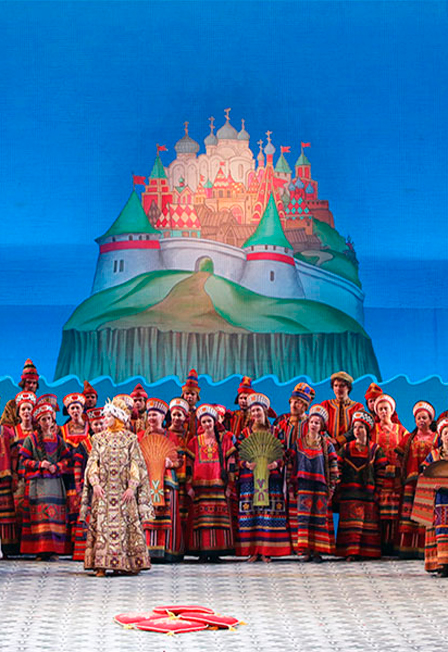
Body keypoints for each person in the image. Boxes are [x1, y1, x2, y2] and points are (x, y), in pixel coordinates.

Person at [79, 397, 152, 576]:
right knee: (102, 527)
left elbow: (136, 465)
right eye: (105, 416)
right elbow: (92, 464)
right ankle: (101, 565)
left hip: (123, 492)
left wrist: (132, 487)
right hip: (103, 492)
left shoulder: (130, 439)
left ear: (118, 418)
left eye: (109, 416)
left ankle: (125, 563)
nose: (105, 419)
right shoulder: (98, 439)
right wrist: (95, 484)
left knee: (125, 527)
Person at [237, 393, 291, 562]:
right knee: (252, 515)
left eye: (258, 410)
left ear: (265, 412)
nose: (255, 414)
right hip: (250, 478)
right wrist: (246, 464)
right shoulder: (244, 433)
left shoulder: (277, 431)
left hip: (271, 478)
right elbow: (237, 455)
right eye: (252, 411)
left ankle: (267, 550)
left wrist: (276, 463)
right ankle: (253, 551)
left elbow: (284, 453)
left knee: (269, 514)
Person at [19, 402, 71, 559]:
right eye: (43, 419)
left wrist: (58, 466)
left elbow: (67, 459)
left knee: (55, 517)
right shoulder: (31, 439)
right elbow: (23, 460)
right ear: (38, 422)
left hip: (55, 483)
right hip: (38, 484)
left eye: (49, 418)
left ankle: (54, 550)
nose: (47, 422)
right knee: (40, 517)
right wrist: (39, 464)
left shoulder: (58, 440)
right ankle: (40, 550)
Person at [185, 404, 235, 562]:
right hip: (199, 487)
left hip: (219, 486)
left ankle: (216, 552)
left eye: (209, 421)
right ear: (200, 424)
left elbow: (231, 463)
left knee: (218, 519)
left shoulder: (224, 440)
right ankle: (202, 551)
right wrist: (188, 485)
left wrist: (230, 485)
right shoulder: (194, 442)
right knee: (201, 522)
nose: (207, 424)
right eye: (204, 421)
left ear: (215, 422)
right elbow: (188, 466)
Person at [336, 411, 387, 560]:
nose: (357, 430)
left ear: (367, 430)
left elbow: (381, 471)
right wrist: (338, 485)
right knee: (352, 524)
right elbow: (337, 466)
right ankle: (350, 552)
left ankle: (367, 552)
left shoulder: (376, 449)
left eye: (361, 427)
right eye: (355, 427)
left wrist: (377, 491)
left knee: (366, 524)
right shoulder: (346, 448)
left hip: (368, 494)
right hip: (349, 494)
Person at [138, 398, 184, 562]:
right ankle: (146, 551)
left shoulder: (172, 437)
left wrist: (172, 463)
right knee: (146, 514)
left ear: (163, 417)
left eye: (155, 415)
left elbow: (180, 460)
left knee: (168, 514)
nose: (151, 418)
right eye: (149, 415)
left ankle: (169, 551)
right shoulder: (140, 436)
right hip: (146, 480)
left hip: (167, 481)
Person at [292, 404, 339, 562]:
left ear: (321, 426)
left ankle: (317, 551)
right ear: (308, 423)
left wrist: (332, 486)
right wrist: (291, 485)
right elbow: (292, 464)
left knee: (319, 518)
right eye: (312, 422)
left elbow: (333, 466)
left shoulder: (327, 445)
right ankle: (305, 551)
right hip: (303, 486)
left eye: (317, 423)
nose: (314, 425)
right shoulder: (299, 444)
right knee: (304, 518)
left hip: (320, 486)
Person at [276, 383, 314, 554]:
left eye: (298, 402)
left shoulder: (311, 424)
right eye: (292, 401)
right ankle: (288, 545)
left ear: (305, 406)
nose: (294, 405)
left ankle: (303, 545)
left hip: (306, 470)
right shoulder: (282, 424)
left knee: (303, 506)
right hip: (286, 470)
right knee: (286, 505)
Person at [396, 401, 437, 558]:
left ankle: (425, 549)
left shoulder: (436, 438)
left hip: (429, 482)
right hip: (411, 482)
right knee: (410, 514)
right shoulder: (409, 438)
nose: (421, 421)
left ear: (430, 420)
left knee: (426, 514)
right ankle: (407, 549)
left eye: (424, 418)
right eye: (419, 418)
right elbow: (399, 457)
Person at [0, 391, 37, 555]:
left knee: (35, 512)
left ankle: (35, 547)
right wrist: (14, 475)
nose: (26, 412)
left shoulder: (38, 431)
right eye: (23, 409)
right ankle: (19, 547)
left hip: (36, 476)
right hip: (20, 477)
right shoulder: (12, 431)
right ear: (18, 412)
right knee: (18, 512)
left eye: (29, 409)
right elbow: (12, 455)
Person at [371, 394, 408, 554]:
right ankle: (379, 544)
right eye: (380, 409)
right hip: (378, 475)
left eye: (386, 408)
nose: (383, 411)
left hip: (395, 477)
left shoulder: (401, 430)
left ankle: (392, 544)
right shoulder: (373, 430)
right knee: (378, 509)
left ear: (392, 410)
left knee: (394, 509)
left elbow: (407, 449)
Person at [60, 393, 92, 546]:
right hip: (68, 475)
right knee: (70, 506)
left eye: (77, 408)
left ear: (82, 409)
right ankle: (70, 544)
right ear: (68, 411)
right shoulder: (62, 430)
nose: (75, 411)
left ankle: (84, 543)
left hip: (86, 473)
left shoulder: (90, 428)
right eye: (72, 408)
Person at [421, 417, 448, 576]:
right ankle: (442, 564)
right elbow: (424, 474)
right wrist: (433, 484)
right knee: (440, 529)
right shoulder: (434, 455)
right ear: (441, 436)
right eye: (445, 433)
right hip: (439, 500)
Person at [321, 371, 364, 449]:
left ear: (348, 388)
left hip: (351, 448)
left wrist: (338, 440)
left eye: (342, 386)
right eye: (336, 385)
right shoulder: (325, 405)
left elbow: (357, 428)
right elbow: (320, 425)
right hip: (328, 447)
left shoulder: (358, 407)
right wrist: (328, 439)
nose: (338, 389)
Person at [167, 398, 190, 536]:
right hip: (170, 478)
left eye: (179, 415)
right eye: (174, 415)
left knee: (184, 511)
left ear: (185, 417)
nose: (176, 418)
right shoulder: (165, 434)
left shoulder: (189, 435)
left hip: (185, 478)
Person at [1, 359, 39, 427]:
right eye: (29, 382)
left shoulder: (39, 405)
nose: (31, 385)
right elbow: (5, 426)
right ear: (23, 383)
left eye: (34, 383)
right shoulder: (11, 405)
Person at [181, 369, 201, 445]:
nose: (189, 396)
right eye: (187, 393)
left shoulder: (199, 414)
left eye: (192, 394)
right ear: (183, 395)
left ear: (197, 397)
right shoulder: (178, 413)